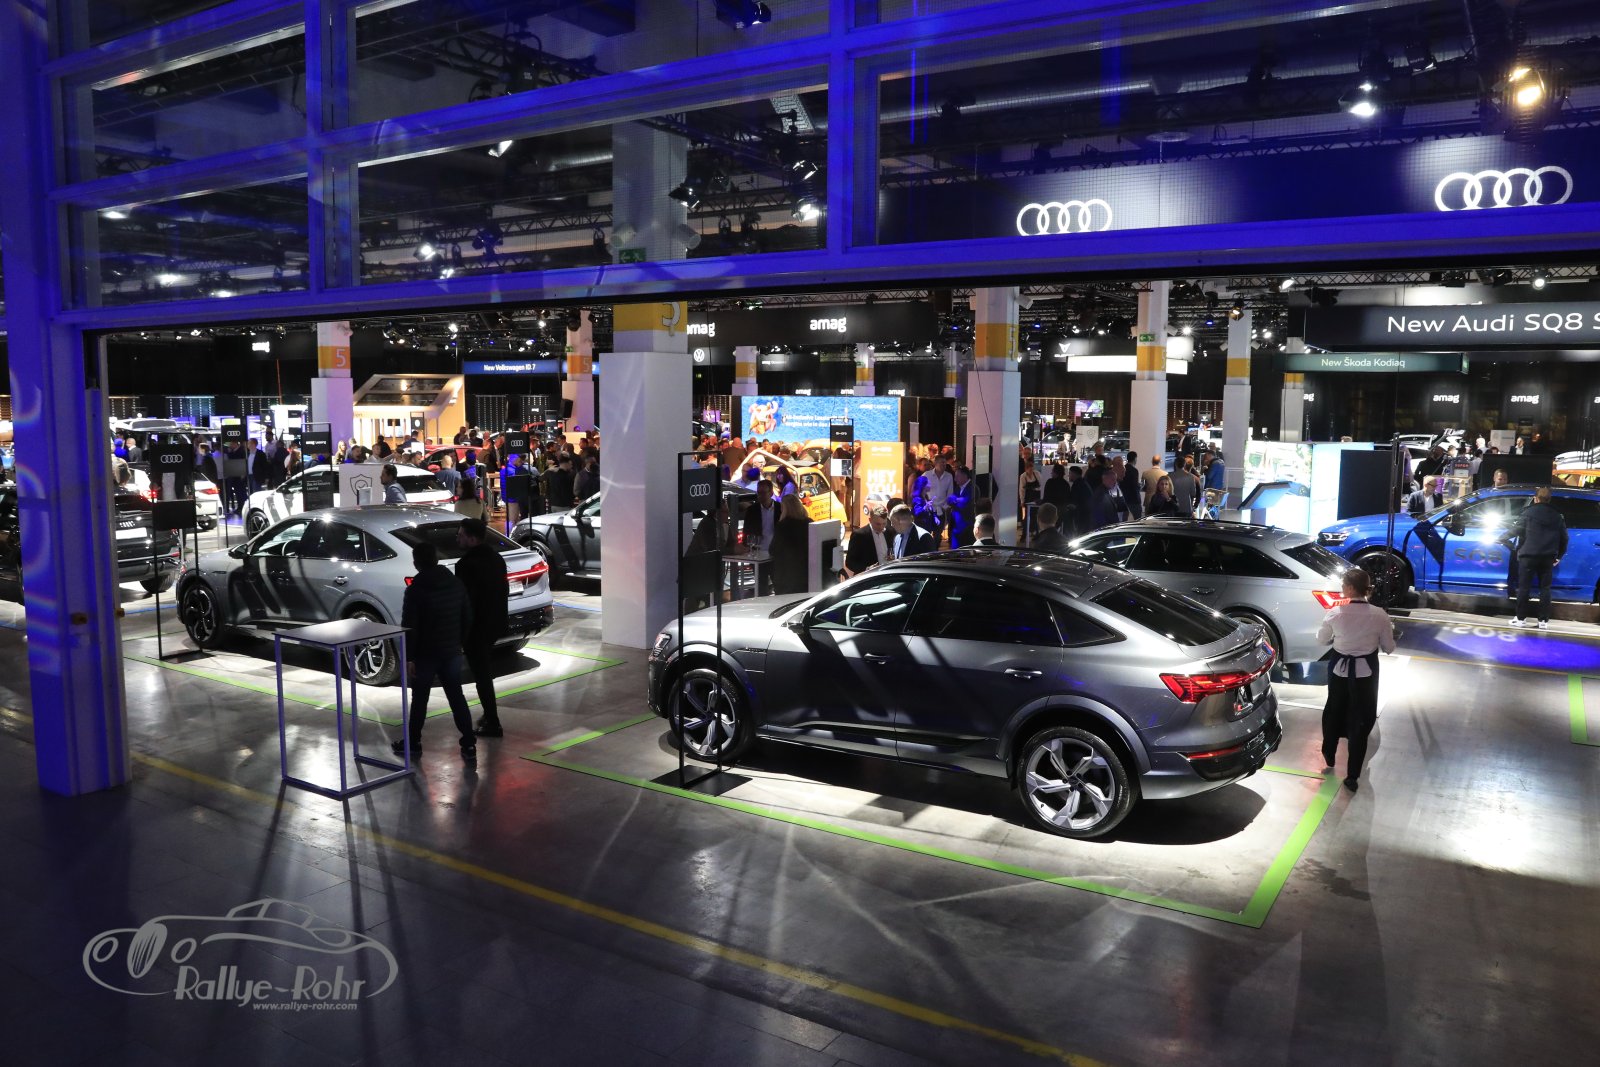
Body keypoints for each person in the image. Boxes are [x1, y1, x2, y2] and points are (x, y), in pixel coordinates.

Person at [392, 541, 477, 762]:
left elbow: (410, 626)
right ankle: (469, 743)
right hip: (451, 651)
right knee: (456, 697)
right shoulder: (456, 583)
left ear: (416, 563)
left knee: (420, 700)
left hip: (425, 654)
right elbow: (467, 617)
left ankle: (413, 743)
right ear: (436, 559)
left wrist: (409, 657)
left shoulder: (415, 590)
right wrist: (459, 642)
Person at [1316, 567, 1397, 792]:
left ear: (1351, 588)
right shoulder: (1379, 615)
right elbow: (1389, 647)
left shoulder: (1335, 613)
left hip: (1338, 671)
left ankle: (1329, 754)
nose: (1342, 588)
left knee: (1334, 711)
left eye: (1343, 585)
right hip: (1366, 674)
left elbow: (1321, 640)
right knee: (1361, 720)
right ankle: (1352, 775)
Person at [452, 518, 511, 738]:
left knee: (482, 675)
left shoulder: (466, 565)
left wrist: (461, 633)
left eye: (461, 535)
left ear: (472, 538)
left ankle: (493, 721)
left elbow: (466, 602)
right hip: (495, 623)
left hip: (476, 629)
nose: (457, 538)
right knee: (484, 672)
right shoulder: (496, 558)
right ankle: (489, 716)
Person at [1505, 486, 1567, 629]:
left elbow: (1516, 530)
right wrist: (1559, 556)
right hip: (1547, 557)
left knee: (1524, 588)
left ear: (1536, 498)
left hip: (1528, 555)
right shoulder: (1557, 516)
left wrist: (1501, 538)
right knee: (1545, 589)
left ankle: (1521, 619)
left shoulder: (1528, 512)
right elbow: (1565, 538)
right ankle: (1543, 621)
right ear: (1549, 499)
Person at [770, 494, 813, 594]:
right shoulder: (809, 523)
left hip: (786, 575)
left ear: (785, 509)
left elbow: (773, 549)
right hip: (806, 573)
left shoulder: (782, 526)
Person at [912, 453, 954, 541]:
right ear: (935, 463)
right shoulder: (927, 474)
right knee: (925, 534)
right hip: (928, 509)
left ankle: (934, 548)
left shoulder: (948, 476)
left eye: (945, 462)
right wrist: (924, 502)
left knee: (938, 536)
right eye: (941, 462)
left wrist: (945, 507)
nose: (944, 465)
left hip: (941, 509)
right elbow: (919, 486)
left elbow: (950, 494)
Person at [843, 506, 890, 577]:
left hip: (887, 575)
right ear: (870, 520)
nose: (881, 527)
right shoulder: (859, 535)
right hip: (867, 577)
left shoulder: (890, 532)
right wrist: (867, 569)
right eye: (878, 524)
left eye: (884, 523)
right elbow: (849, 562)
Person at [946, 465, 976, 548]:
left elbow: (966, 502)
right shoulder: (958, 488)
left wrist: (956, 500)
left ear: (964, 476)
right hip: (956, 526)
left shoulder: (973, 488)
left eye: (957, 476)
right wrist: (957, 500)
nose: (955, 479)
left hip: (967, 527)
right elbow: (949, 500)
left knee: (966, 549)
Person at [1118, 453, 1143, 521]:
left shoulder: (1123, 468)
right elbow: (1134, 486)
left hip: (1124, 498)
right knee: (1137, 520)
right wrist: (1139, 486)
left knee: (1125, 519)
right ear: (1135, 459)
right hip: (1134, 500)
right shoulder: (1134, 470)